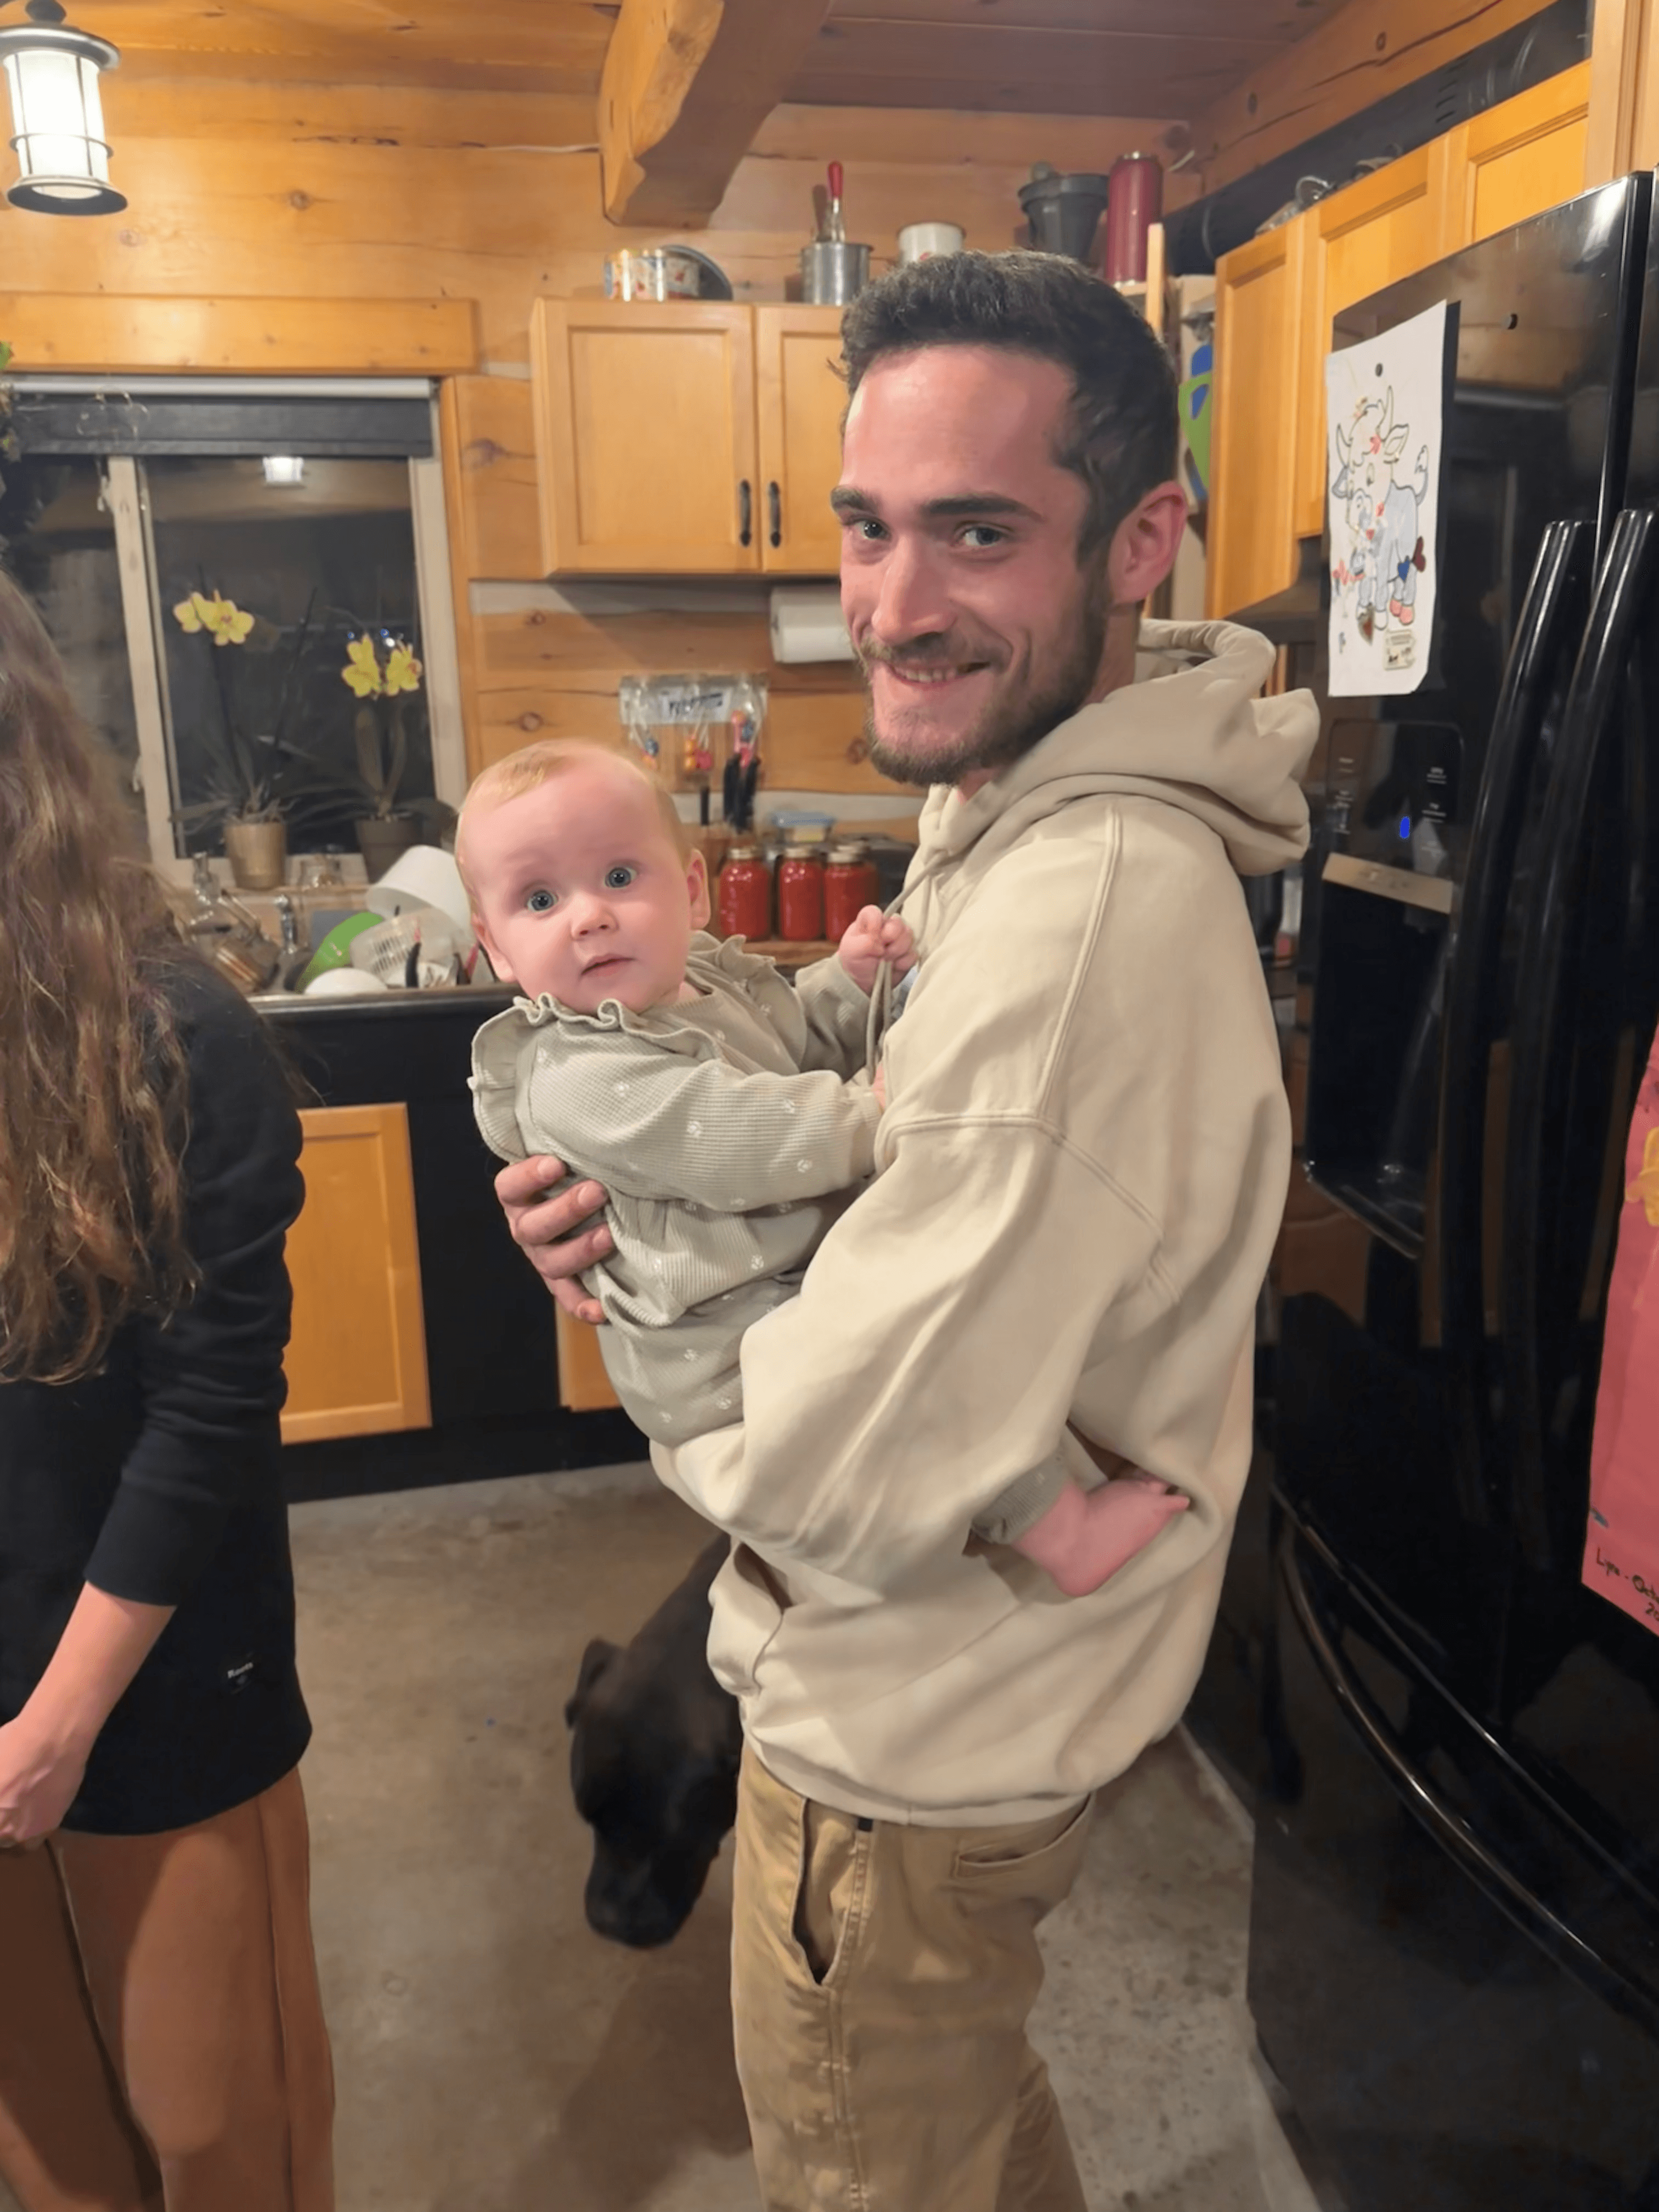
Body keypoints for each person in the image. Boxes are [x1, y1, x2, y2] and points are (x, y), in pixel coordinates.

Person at [496, 250, 1317, 2211]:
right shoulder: (1021, 806)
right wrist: (664, 1207)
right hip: (983, 1699)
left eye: (976, 532)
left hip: (903, 1748)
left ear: (1139, 542)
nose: (891, 602)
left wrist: (655, 1315)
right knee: (957, 2131)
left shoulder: (1078, 913)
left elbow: (830, 1459)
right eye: (869, 528)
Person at [459, 735, 1188, 1596]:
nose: (590, 916)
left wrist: (844, 983)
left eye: (620, 878)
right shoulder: (577, 1072)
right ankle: (1062, 1533)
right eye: (540, 899)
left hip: (771, 1290)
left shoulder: (689, 981)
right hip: (725, 1344)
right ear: (496, 946)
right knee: (917, 1363)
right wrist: (877, 1109)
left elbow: (789, 1040)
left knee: (934, 1334)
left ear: (691, 891)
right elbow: (734, 1133)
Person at [0, 573, 334, 2212]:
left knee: (210, 2119)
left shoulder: (167, 1028)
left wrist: (55, 1724)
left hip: (151, 1673)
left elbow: (208, 1411)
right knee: (41, 2133)